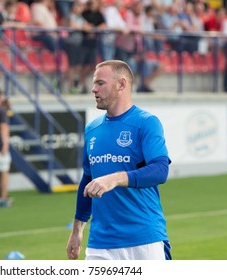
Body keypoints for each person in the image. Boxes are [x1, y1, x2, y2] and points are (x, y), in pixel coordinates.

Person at [66, 60, 171, 260]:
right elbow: (87, 181)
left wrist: (115, 178)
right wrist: (77, 229)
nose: (93, 89)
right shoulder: (92, 129)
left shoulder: (146, 123)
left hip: (144, 239)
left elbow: (160, 170)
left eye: (100, 83)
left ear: (121, 84)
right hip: (100, 244)